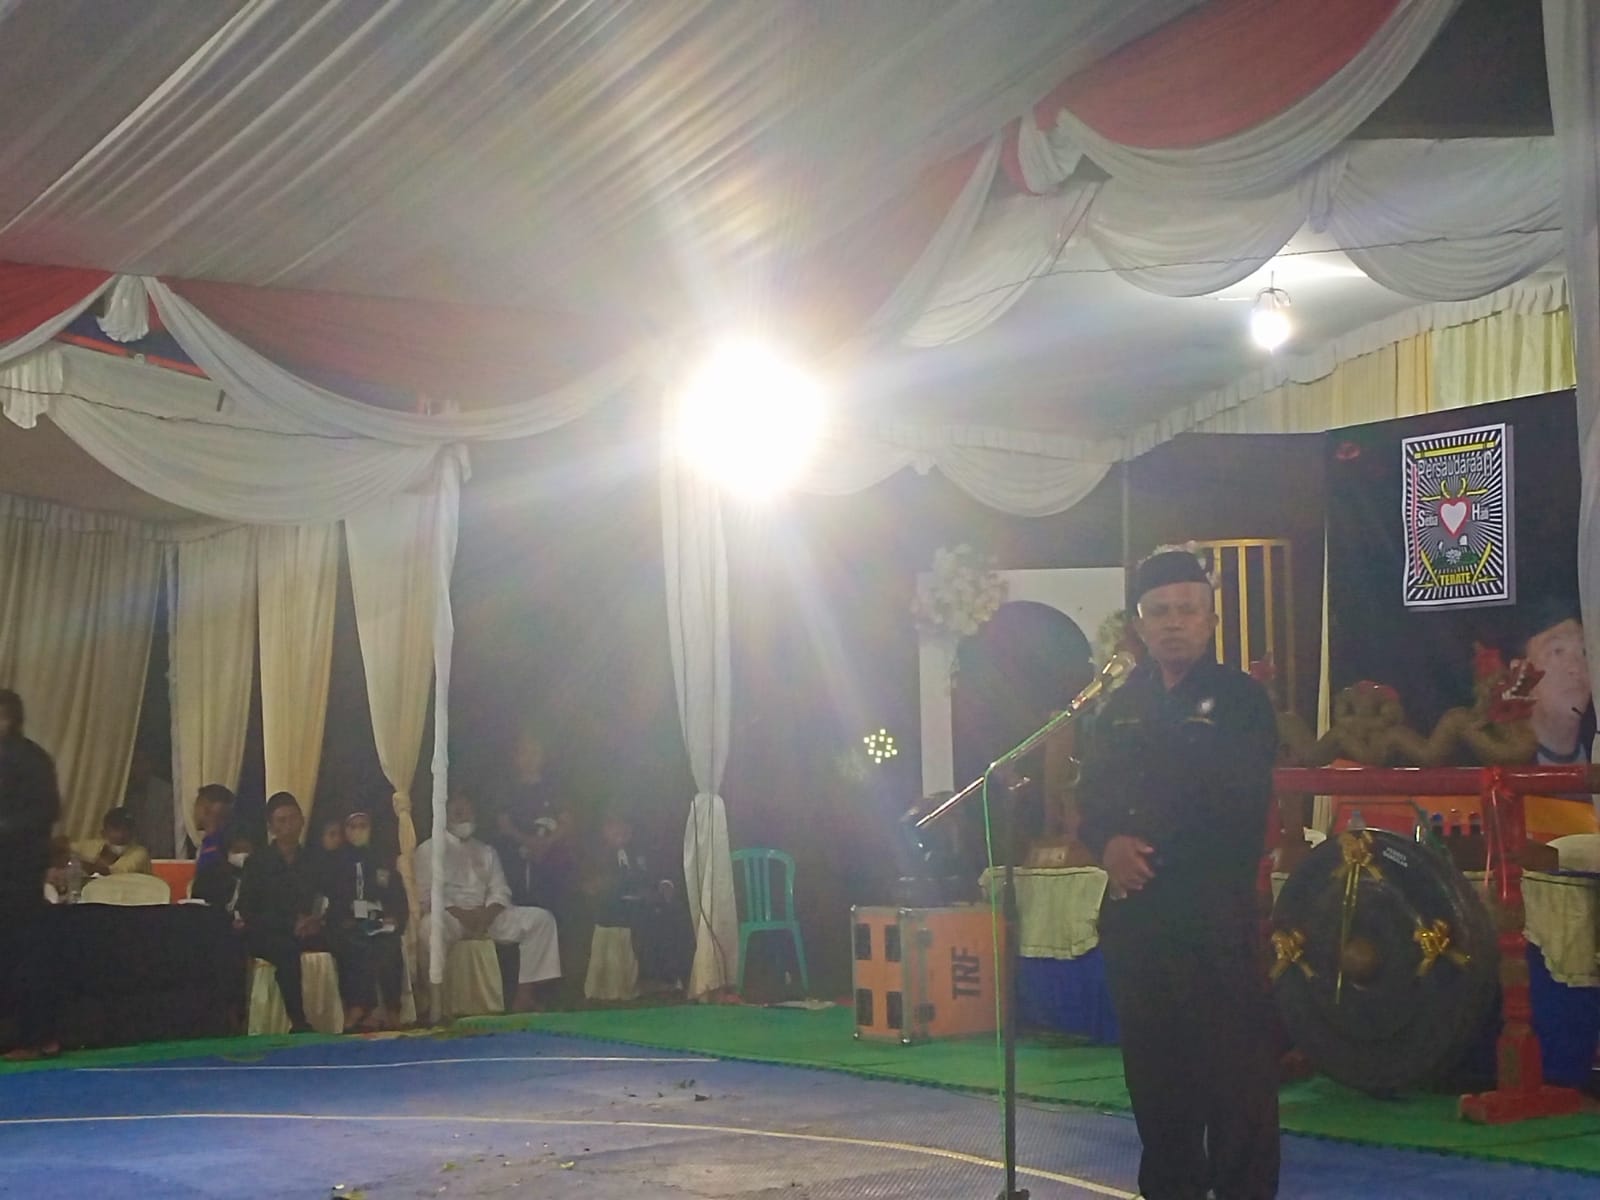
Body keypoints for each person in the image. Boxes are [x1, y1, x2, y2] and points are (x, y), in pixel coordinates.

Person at [1077, 550, 1281, 1200]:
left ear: (1211, 620)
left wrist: (1150, 851)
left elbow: (1237, 803)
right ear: (1139, 624)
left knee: (1234, 1077)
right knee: (1155, 1077)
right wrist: (1108, 844)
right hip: (1137, 918)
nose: (1173, 623)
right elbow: (1092, 795)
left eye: (1187, 611)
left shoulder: (1241, 701)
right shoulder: (1118, 705)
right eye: (1159, 611)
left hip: (1210, 912)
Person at [416, 791, 561, 1012]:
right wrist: (462, 914)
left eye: (468, 812)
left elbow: (500, 890)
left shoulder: (486, 850)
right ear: (444, 815)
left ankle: (525, 996)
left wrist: (487, 914)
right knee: (429, 929)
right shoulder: (429, 849)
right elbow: (427, 894)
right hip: (451, 916)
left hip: (487, 917)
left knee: (541, 920)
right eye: (458, 813)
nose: (465, 817)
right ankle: (436, 1003)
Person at [0, 689, 62, 1060]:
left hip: (16, 871)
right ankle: (32, 1036)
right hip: (20, 869)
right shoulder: (33, 757)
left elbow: (44, 812)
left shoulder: (24, 759)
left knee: (21, 955)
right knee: (22, 954)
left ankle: (31, 1037)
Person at [236, 792, 327, 1033]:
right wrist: (289, 924)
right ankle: (298, 1022)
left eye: (293, 818)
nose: (288, 825)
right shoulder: (257, 862)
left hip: (308, 928)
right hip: (268, 932)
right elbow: (247, 909)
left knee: (349, 940)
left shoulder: (314, 860)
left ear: (302, 821)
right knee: (286, 951)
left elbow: (326, 896)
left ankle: (358, 1011)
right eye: (281, 820)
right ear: (271, 826)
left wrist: (317, 920)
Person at [585, 811, 689, 991]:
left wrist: (664, 885)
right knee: (646, 922)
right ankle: (645, 978)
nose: (621, 831)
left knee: (672, 915)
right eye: (614, 826)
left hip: (644, 903)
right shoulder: (597, 855)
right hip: (613, 907)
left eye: (624, 826)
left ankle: (672, 976)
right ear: (604, 830)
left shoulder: (640, 851)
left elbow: (654, 875)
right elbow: (595, 884)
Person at [325, 810, 409, 1032]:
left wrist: (394, 918)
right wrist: (348, 918)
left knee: (390, 944)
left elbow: (397, 898)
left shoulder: (382, 860)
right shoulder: (336, 862)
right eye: (353, 827)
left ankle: (392, 1008)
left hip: (378, 922)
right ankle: (358, 1007)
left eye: (363, 826)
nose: (358, 831)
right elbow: (331, 899)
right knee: (355, 943)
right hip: (345, 923)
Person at [491, 730, 576, 915]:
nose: (529, 758)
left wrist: (546, 843)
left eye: (534, 752)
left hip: (551, 865)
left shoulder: (554, 788)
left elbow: (567, 822)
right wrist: (528, 841)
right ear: (515, 757)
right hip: (515, 865)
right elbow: (503, 824)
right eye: (524, 752)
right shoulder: (507, 789)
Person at [1515, 601, 1593, 769]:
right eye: (1557, 652)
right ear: (1521, 673)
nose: (1576, 667)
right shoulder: (1498, 768)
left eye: (1585, 652)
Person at [123, 747, 176, 859]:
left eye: (141, 762)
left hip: (161, 857)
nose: (137, 767)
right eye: (134, 763)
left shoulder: (165, 792)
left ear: (150, 764)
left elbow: (168, 829)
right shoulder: (125, 793)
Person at [77, 807, 154, 877]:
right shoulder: (92, 846)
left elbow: (120, 873)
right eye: (116, 828)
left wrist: (89, 866)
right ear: (104, 832)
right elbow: (71, 849)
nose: (121, 834)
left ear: (133, 832)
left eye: (127, 828)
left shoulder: (140, 853)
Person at [190, 784, 238, 869]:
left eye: (196, 805)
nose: (194, 813)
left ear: (205, 809)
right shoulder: (207, 846)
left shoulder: (223, 849)